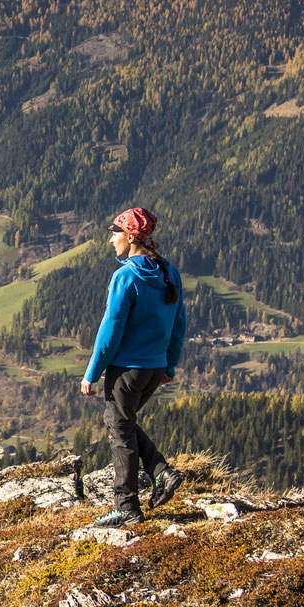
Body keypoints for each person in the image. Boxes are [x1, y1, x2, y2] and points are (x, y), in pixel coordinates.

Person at [81, 206, 188, 526]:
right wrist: (170, 363)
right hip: (153, 369)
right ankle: (162, 473)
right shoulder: (169, 273)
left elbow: (110, 329)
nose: (111, 240)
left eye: (114, 233)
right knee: (121, 422)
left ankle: (127, 507)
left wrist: (92, 372)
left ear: (130, 236)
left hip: (126, 369)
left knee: (120, 432)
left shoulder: (126, 275)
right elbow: (179, 322)